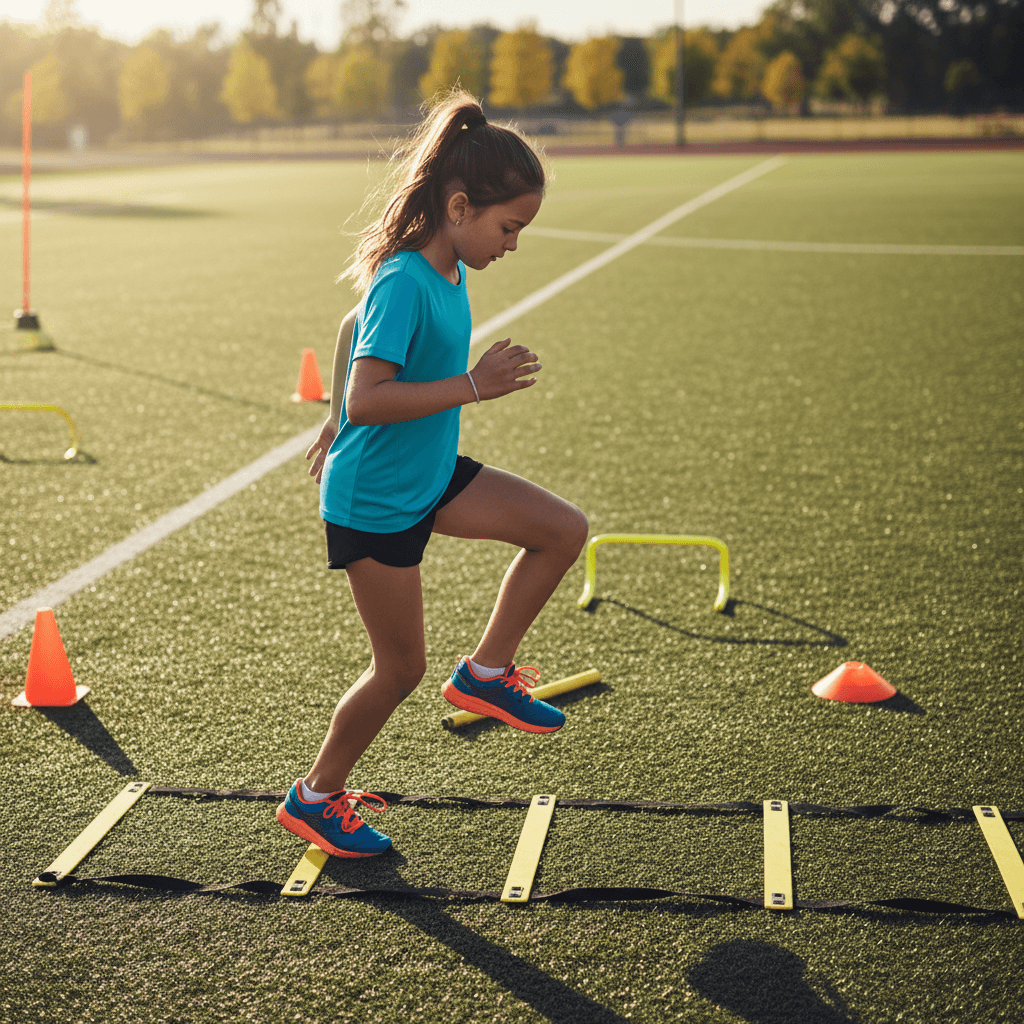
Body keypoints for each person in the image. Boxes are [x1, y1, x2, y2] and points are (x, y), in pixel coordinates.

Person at [275, 93, 589, 859]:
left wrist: (336, 413)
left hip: (427, 472)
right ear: (458, 206)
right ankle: (314, 798)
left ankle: (485, 675)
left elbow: (354, 329)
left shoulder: (445, 269)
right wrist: (469, 386)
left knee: (562, 531)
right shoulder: (409, 279)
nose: (513, 243)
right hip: (375, 498)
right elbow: (371, 396)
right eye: (508, 227)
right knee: (399, 669)